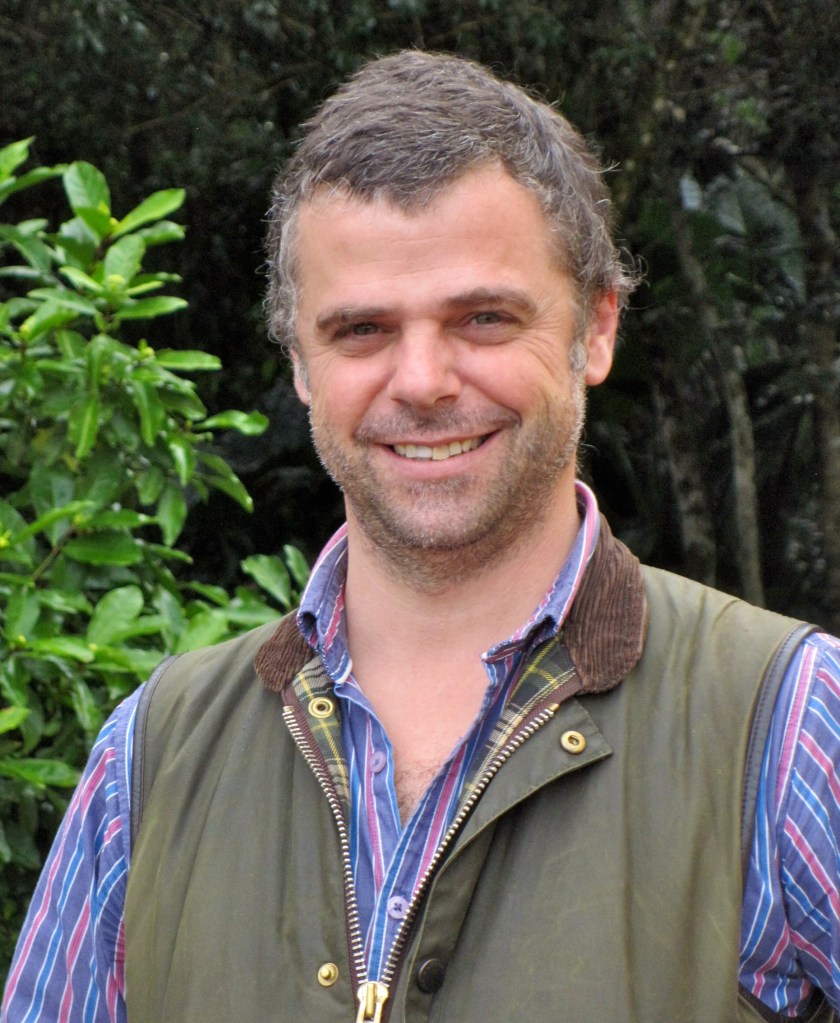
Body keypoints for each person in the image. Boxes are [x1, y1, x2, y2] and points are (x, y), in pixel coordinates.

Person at [3, 50, 840, 1023]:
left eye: (482, 318)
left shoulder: (793, 724)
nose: (422, 381)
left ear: (597, 328)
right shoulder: (148, 760)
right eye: (361, 330)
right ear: (301, 363)